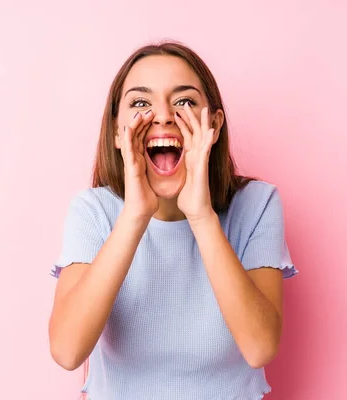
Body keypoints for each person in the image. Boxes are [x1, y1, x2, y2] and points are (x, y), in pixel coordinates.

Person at [48, 41, 298, 400]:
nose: (163, 116)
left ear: (213, 123)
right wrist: (135, 215)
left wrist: (201, 215)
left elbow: (259, 348)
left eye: (184, 101)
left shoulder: (257, 205)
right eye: (140, 103)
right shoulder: (93, 212)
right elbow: (68, 351)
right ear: (118, 131)